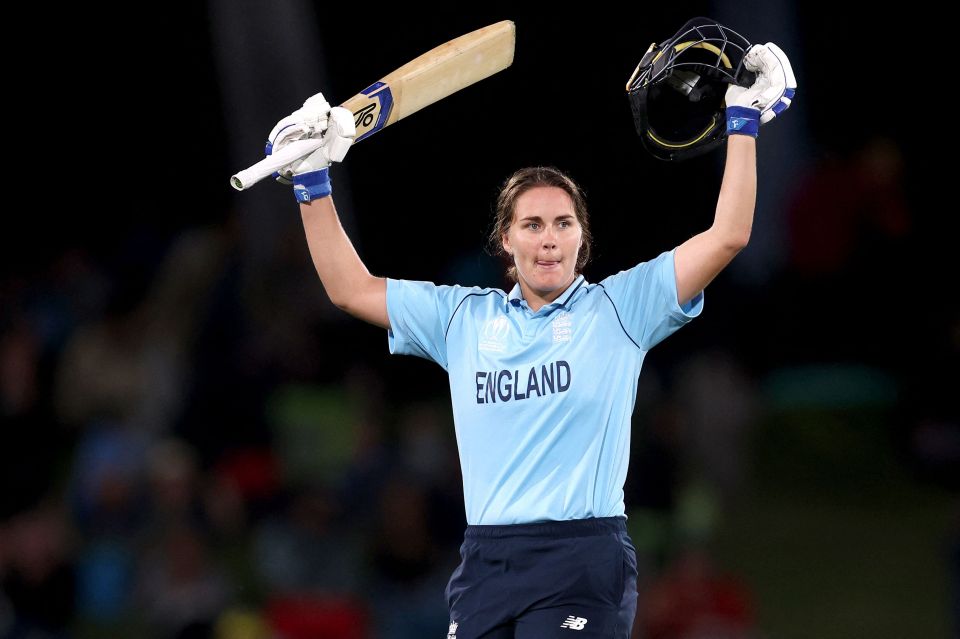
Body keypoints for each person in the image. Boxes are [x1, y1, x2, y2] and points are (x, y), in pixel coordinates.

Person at [260, 41, 794, 639]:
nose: (548, 239)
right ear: (506, 243)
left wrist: (743, 120)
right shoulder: (463, 318)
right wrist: (310, 178)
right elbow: (350, 289)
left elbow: (727, 236)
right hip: (487, 563)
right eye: (532, 225)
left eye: (563, 224)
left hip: (582, 559)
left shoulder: (619, 307)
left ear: (581, 241)